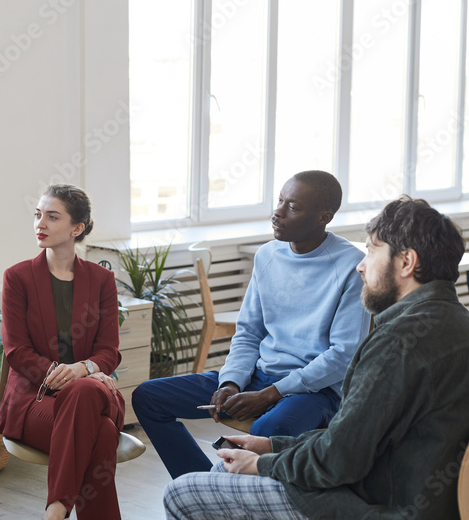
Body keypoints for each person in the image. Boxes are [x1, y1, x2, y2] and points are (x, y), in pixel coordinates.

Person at [164, 196, 469, 520]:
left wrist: (262, 463)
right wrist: (272, 447)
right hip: (413, 493)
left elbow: (340, 460)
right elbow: (354, 438)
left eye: (372, 250)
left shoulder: (397, 345)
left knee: (181, 493)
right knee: (224, 474)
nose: (361, 265)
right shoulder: (456, 324)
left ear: (406, 262)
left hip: (376, 503)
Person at [132, 170, 370, 479]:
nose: (278, 213)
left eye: (293, 207)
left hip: (316, 392)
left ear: (324, 216)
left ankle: (232, 495)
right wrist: (230, 382)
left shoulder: (352, 266)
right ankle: (204, 488)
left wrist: (273, 394)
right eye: (280, 201)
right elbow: (249, 332)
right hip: (258, 377)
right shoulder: (267, 255)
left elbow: (343, 355)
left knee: (268, 430)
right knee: (149, 397)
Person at [0, 184, 125, 520]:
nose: (40, 223)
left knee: (84, 390)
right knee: (103, 433)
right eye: (38, 215)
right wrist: (67, 378)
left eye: (52, 217)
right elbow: (17, 352)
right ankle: (58, 509)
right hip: (35, 400)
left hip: (90, 391)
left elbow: (109, 350)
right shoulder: (18, 278)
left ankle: (56, 509)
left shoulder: (102, 280)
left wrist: (82, 369)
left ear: (76, 228)